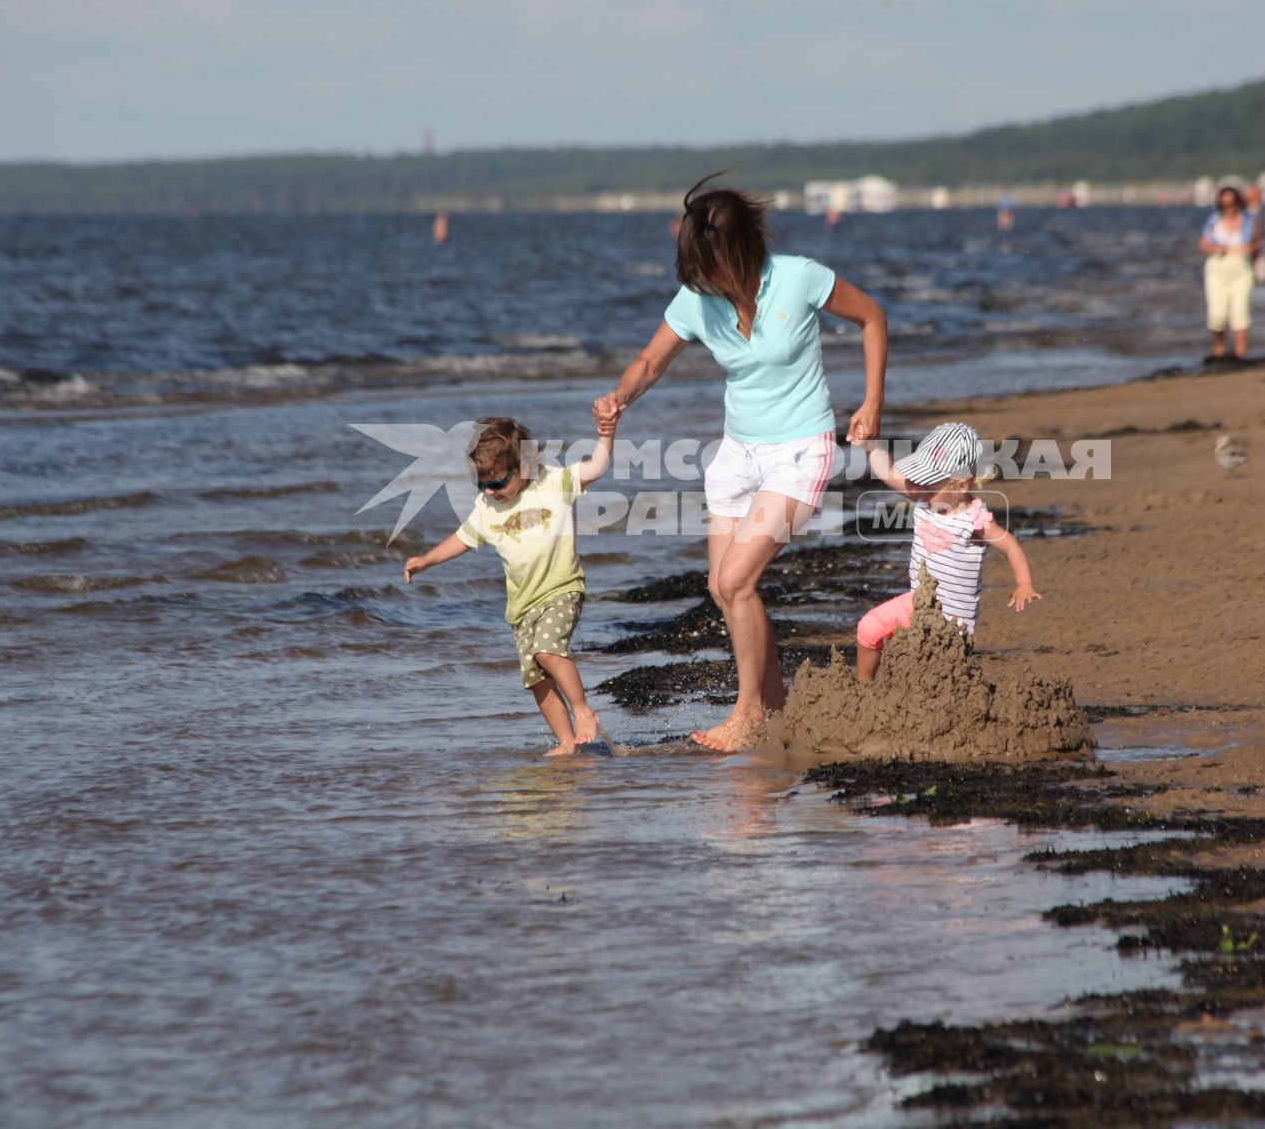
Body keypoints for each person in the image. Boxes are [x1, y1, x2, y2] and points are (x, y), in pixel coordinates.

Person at [595, 172, 888, 752]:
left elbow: (873, 318)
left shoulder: (800, 277)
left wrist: (872, 400)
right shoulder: (697, 300)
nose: (703, 279)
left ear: (740, 248)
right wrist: (619, 397)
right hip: (735, 456)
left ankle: (748, 712)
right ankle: (774, 708)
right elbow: (650, 362)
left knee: (736, 579)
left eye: (710, 264)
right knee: (723, 586)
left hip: (801, 452)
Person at [399, 413, 616, 755]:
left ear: (525, 465)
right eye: (482, 484)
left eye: (498, 483)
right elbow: (463, 538)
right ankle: (566, 742)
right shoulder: (486, 508)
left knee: (547, 651)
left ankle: (583, 711)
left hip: (561, 589)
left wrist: (606, 434)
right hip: (521, 607)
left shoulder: (554, 483)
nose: (490, 491)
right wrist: (427, 560)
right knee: (536, 678)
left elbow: (598, 466)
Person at [853, 424, 1039, 681]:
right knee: (868, 629)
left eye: (929, 483)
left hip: (953, 618)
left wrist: (1023, 583)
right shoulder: (924, 498)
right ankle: (864, 688)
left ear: (961, 486)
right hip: (917, 601)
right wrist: (870, 446)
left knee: (932, 674)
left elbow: (1010, 545)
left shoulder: (974, 520)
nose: (919, 487)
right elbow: (888, 471)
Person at [1199, 185, 1262, 361]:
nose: (1228, 208)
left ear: (1238, 203)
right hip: (1217, 268)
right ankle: (1219, 352)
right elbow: (1202, 245)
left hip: (1242, 268)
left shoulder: (1249, 220)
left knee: (1240, 312)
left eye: (1232, 203)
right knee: (1217, 315)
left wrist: (1250, 249)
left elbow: (1258, 243)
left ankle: (1240, 354)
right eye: (1224, 204)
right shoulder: (1214, 221)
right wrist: (1217, 248)